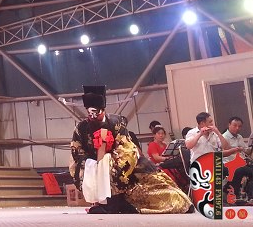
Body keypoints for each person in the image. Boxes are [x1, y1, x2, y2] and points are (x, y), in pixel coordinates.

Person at [69, 85, 192, 214]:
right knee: (86, 167)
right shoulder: (81, 128)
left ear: (103, 109)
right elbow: (77, 150)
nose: (93, 116)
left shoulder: (116, 122)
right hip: (93, 165)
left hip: (123, 167)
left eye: (96, 112)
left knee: (163, 191)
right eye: (90, 113)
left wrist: (107, 163)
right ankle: (107, 202)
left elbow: (126, 148)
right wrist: (92, 165)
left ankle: (118, 202)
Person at [222, 116, 253, 202]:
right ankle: (232, 191)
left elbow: (246, 151)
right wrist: (235, 149)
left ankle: (250, 195)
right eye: (235, 125)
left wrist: (248, 149)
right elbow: (224, 152)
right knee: (242, 171)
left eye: (239, 126)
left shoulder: (239, 137)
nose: (237, 128)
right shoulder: (224, 137)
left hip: (242, 163)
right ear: (229, 125)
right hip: (229, 163)